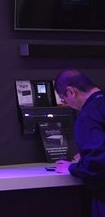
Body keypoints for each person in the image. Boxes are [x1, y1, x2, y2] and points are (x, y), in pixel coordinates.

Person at [54, 69, 105, 216]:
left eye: (64, 99)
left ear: (71, 91)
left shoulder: (88, 116)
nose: (67, 104)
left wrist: (72, 167)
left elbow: (97, 164)